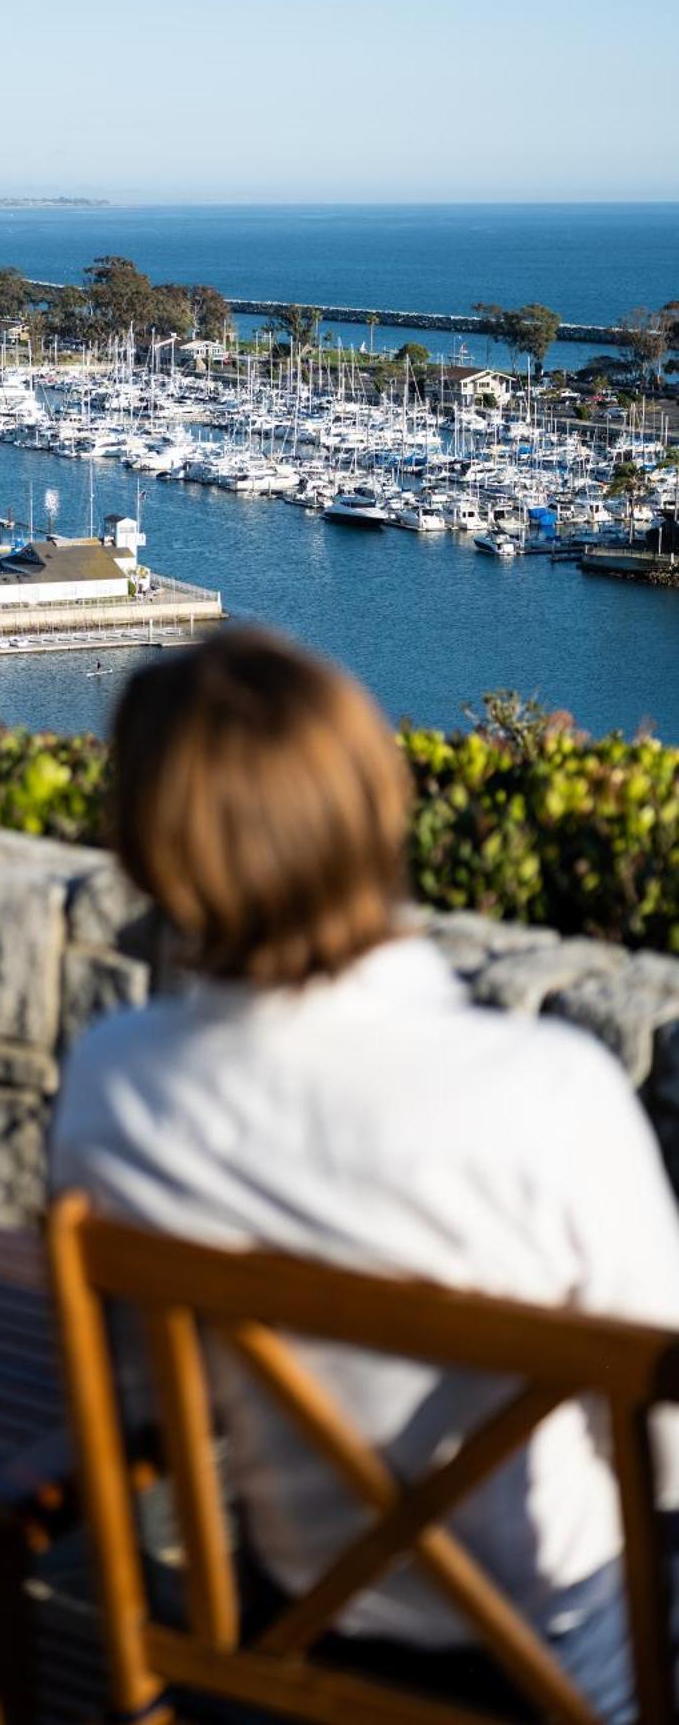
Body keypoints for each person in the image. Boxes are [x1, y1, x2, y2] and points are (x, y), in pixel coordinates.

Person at [50, 626, 679, 1719]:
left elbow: (146, 1394)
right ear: (379, 807)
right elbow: (669, 1449)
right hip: (552, 1671)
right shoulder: (549, 1091)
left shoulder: (116, 1083)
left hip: (288, 1641)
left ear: (149, 853)